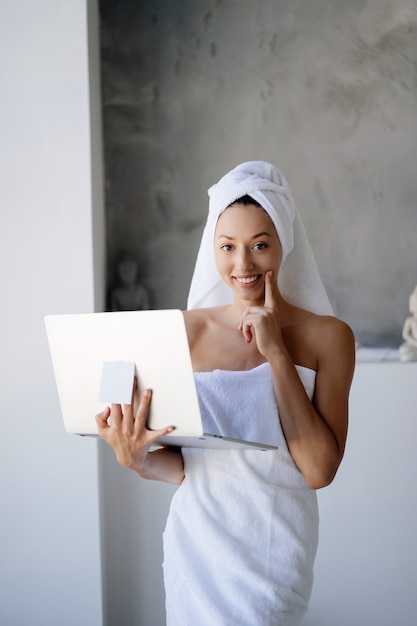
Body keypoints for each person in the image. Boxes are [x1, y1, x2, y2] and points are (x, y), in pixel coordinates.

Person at [96, 161, 356, 625]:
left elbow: (318, 470)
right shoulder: (182, 331)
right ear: (212, 249)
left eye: (259, 245)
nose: (243, 265)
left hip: (276, 556)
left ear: (284, 244)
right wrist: (136, 458)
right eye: (228, 247)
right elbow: (187, 466)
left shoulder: (328, 337)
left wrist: (277, 353)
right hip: (196, 555)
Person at [399, 285, 417, 361]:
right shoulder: (410, 320)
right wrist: (414, 342)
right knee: (403, 349)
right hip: (414, 344)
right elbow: (405, 335)